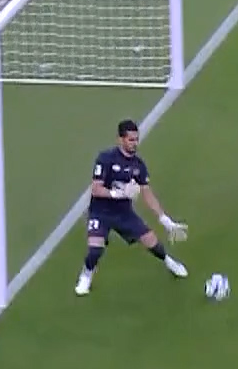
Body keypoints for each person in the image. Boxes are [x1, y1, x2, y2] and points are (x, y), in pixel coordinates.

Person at [74, 119, 188, 295]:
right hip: (100, 212)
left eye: (136, 139)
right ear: (120, 139)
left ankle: (169, 261)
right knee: (95, 250)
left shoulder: (138, 165)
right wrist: (117, 194)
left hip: (123, 213)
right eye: (131, 139)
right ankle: (86, 275)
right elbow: (96, 189)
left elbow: (147, 193)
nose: (135, 143)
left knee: (151, 242)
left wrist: (164, 219)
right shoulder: (105, 158)